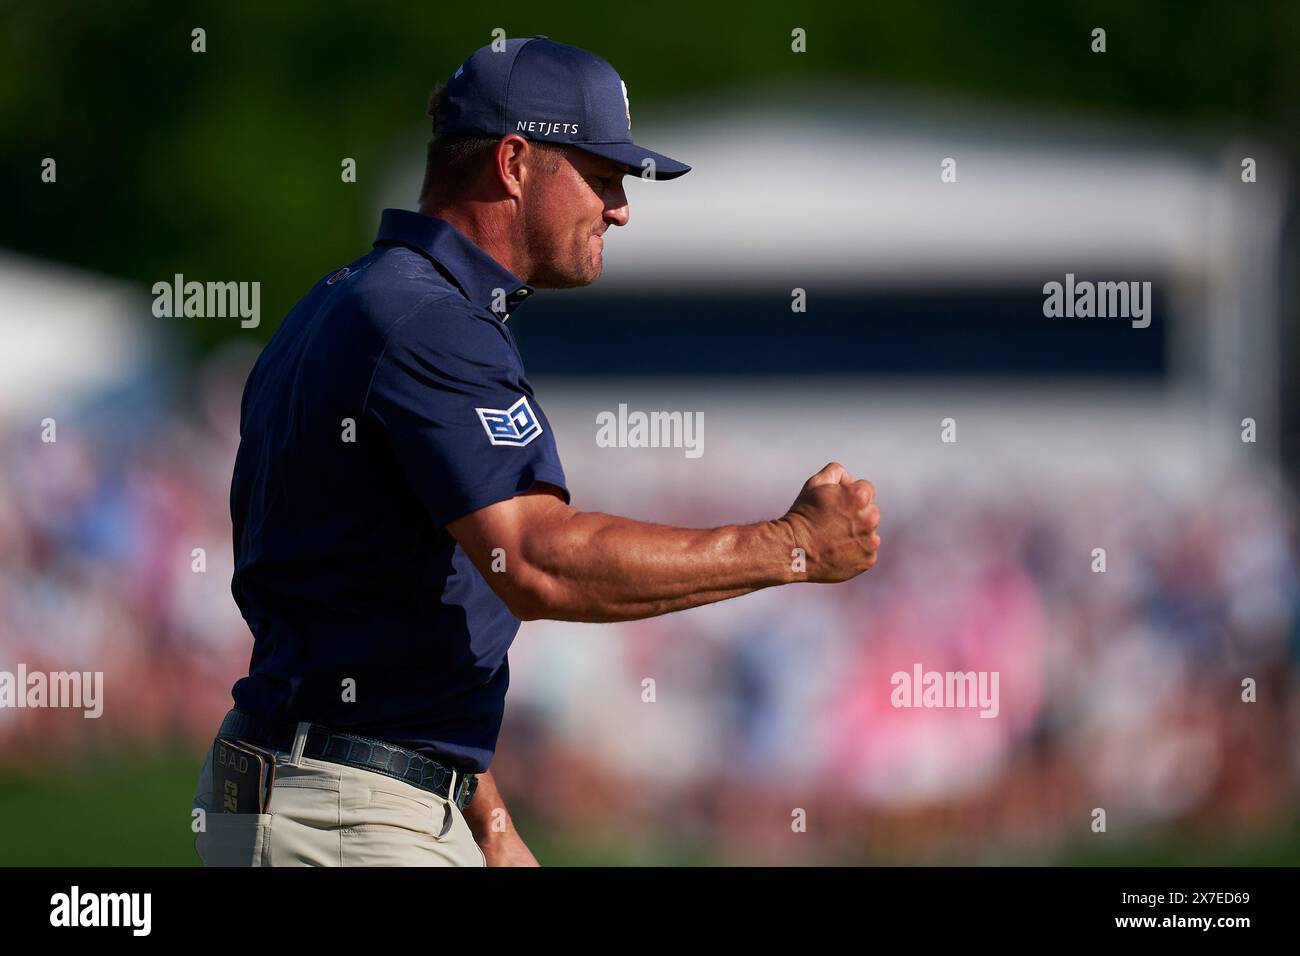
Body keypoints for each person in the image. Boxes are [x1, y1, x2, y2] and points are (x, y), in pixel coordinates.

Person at [192, 35, 880, 867]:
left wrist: (485, 815)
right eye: (601, 175)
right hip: (347, 815)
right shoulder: (429, 322)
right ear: (515, 163)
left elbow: (384, 606)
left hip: (322, 784)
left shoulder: (352, 300)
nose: (621, 207)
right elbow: (538, 562)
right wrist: (791, 546)